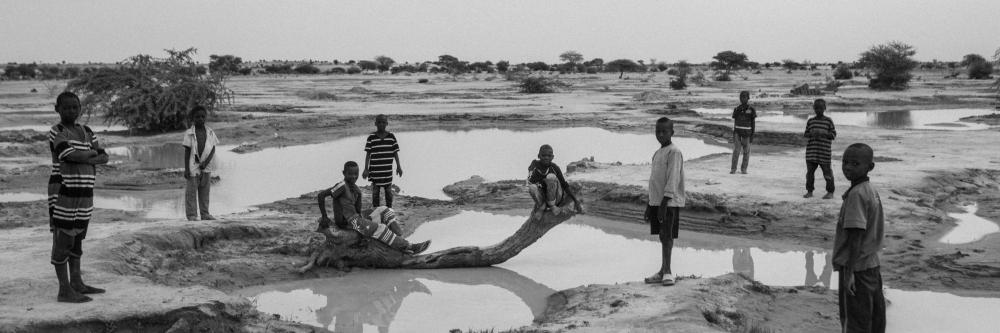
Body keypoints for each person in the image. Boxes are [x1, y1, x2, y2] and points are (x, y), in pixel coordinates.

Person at [47, 92, 109, 303]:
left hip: (84, 193)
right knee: (63, 238)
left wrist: (88, 156)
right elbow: (69, 155)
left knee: (77, 239)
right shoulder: (57, 131)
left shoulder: (87, 131)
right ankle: (64, 290)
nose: (71, 111)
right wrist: (90, 155)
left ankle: (76, 282)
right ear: (58, 109)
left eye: (75, 107)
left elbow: (104, 156)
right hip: (64, 192)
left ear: (80, 108)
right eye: (66, 108)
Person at [319, 161, 430, 254]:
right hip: (347, 222)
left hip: (356, 218)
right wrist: (324, 216)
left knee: (386, 210)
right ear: (344, 173)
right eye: (350, 174)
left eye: (356, 174)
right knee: (380, 228)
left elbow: (358, 212)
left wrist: (366, 222)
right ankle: (409, 246)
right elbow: (321, 195)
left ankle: (400, 239)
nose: (353, 177)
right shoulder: (341, 186)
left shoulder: (357, 191)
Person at [833, 143, 886, 333]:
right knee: (874, 319)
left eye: (855, 163)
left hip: (858, 268)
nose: (847, 167)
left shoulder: (857, 195)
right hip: (872, 265)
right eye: (845, 162)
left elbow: (856, 236)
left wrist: (849, 274)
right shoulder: (869, 189)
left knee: (856, 322)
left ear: (869, 167)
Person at [644, 117, 686, 286]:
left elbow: (673, 179)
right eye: (658, 131)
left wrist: (663, 203)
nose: (660, 134)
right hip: (657, 201)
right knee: (662, 235)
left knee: (667, 235)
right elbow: (653, 181)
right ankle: (662, 270)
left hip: (668, 202)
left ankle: (668, 272)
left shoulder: (674, 152)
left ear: (672, 133)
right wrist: (649, 204)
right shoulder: (657, 153)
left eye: (664, 131)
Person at [182, 106, 219, 221]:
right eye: (197, 117)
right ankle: (192, 215)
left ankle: (205, 213)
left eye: (203, 117)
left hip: (206, 166)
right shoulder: (189, 133)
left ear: (205, 118)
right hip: (193, 165)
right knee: (191, 192)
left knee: (205, 191)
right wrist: (187, 169)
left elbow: (213, 149)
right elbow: (187, 151)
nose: (200, 119)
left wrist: (206, 162)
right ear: (193, 118)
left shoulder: (210, 132)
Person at [526, 144, 583, 217]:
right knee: (532, 187)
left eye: (549, 156)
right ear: (539, 156)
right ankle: (542, 207)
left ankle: (553, 207)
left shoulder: (554, 168)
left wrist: (575, 200)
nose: (546, 158)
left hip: (555, 199)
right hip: (543, 198)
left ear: (552, 157)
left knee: (551, 177)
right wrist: (531, 170)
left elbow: (564, 184)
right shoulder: (535, 166)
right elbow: (530, 175)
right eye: (543, 155)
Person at [362, 114, 402, 208]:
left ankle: (389, 209)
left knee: (388, 192)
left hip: (387, 171)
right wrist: (366, 169)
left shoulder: (391, 137)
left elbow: (395, 153)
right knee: (375, 192)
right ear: (375, 123)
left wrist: (399, 167)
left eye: (383, 122)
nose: (381, 124)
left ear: (387, 123)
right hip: (376, 171)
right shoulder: (371, 137)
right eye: (379, 122)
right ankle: (376, 209)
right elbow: (368, 154)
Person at [804, 99, 837, 199]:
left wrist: (824, 133)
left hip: (824, 152)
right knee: (810, 173)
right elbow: (806, 134)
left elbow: (833, 135)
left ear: (824, 108)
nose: (818, 110)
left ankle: (830, 192)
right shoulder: (811, 121)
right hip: (811, 152)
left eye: (821, 108)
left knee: (827, 173)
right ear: (814, 108)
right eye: (816, 108)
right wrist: (811, 133)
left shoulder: (828, 121)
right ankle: (809, 191)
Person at [731, 91, 756, 174]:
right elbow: (735, 122)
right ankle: (733, 169)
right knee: (736, 151)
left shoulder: (751, 110)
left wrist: (752, 135)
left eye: (744, 97)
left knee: (746, 152)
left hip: (747, 134)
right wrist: (734, 133)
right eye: (741, 97)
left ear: (748, 98)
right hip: (737, 133)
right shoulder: (737, 109)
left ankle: (744, 169)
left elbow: (753, 123)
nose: (742, 99)